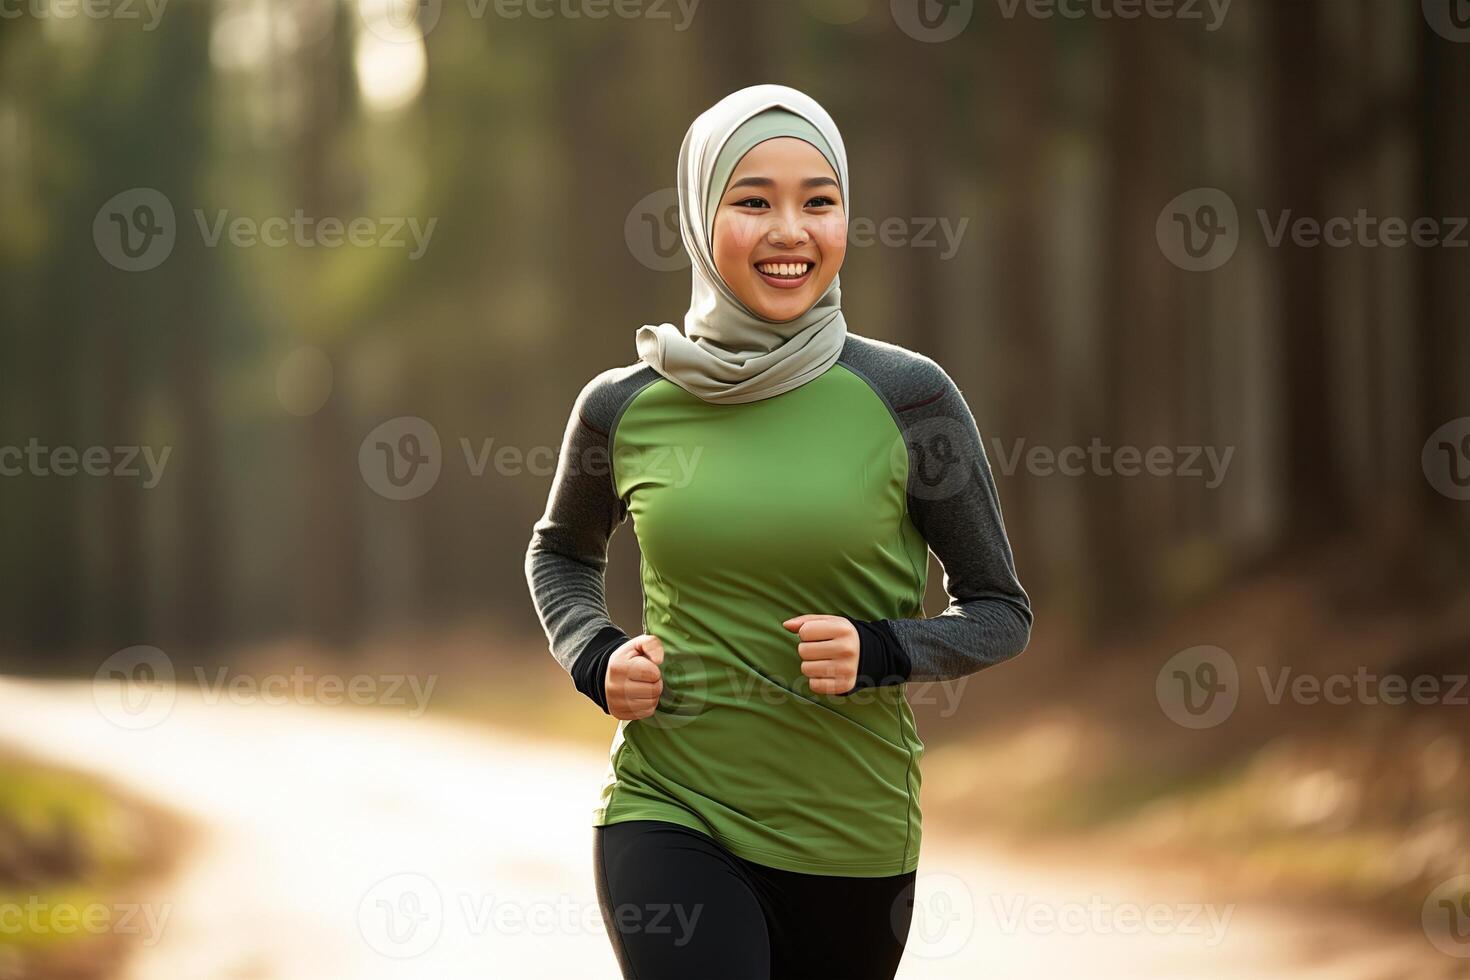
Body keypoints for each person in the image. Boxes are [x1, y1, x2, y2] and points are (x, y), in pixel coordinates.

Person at [524, 83, 1032, 980]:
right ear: (696, 217)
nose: (790, 230)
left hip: (853, 837)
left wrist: (883, 649)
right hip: (669, 809)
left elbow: (1000, 610)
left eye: (819, 201)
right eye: (753, 201)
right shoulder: (623, 405)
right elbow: (561, 551)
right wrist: (596, 654)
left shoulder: (911, 398)